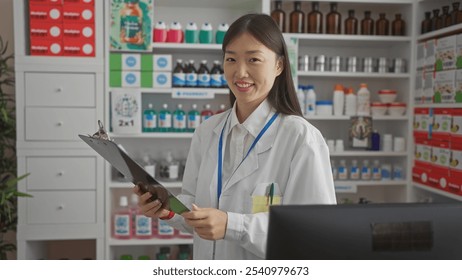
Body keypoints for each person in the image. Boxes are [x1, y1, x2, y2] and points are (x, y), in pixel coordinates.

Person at [133, 13, 336, 260]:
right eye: (231, 59)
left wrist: (232, 225)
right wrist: (166, 210)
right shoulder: (207, 132)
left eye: (253, 59)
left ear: (279, 66)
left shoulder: (301, 138)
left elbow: (314, 232)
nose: (240, 72)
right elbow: (195, 208)